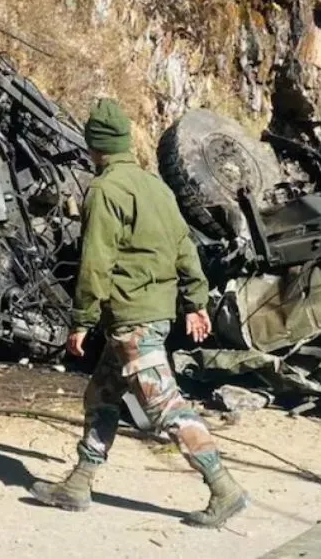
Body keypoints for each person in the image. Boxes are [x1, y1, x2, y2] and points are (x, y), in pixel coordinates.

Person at [28, 99, 248, 528]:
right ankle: (79, 482)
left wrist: (81, 320)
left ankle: (225, 488)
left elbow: (96, 263)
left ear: (94, 146)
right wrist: (195, 302)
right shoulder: (157, 188)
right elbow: (184, 248)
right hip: (150, 316)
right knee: (101, 395)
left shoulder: (105, 191)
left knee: (165, 407)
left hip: (132, 321)